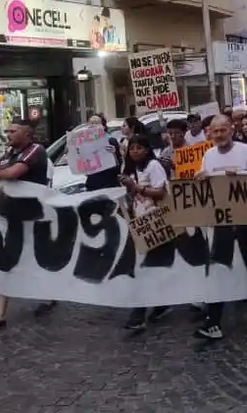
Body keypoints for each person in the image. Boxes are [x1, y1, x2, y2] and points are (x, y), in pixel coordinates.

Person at [194, 115, 247, 340]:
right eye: (215, 131)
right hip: (222, 222)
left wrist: (240, 176)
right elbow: (204, 184)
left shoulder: (246, 151)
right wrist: (201, 179)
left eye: (223, 130)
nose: (219, 135)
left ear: (231, 130)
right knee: (218, 270)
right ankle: (213, 322)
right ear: (210, 133)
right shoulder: (208, 155)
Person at [0, 118, 50, 332]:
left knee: (37, 259)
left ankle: (49, 295)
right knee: (7, 261)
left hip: (34, 217)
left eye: (13, 131)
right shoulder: (8, 154)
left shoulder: (36, 150)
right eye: (7, 130)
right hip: (11, 217)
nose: (8, 134)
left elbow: (11, 174)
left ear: (27, 134)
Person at [121, 135, 170, 333]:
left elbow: (161, 193)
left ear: (147, 150)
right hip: (138, 223)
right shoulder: (131, 170)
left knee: (144, 268)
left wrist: (137, 187)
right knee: (147, 268)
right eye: (131, 148)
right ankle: (160, 304)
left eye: (139, 148)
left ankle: (138, 314)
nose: (134, 151)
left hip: (156, 222)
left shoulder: (153, 167)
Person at [84, 113, 124, 190]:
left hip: (109, 184)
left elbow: (118, 167)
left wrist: (113, 154)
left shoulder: (110, 141)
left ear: (103, 127)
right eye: (91, 123)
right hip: (92, 185)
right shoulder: (85, 145)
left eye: (96, 123)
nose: (93, 126)